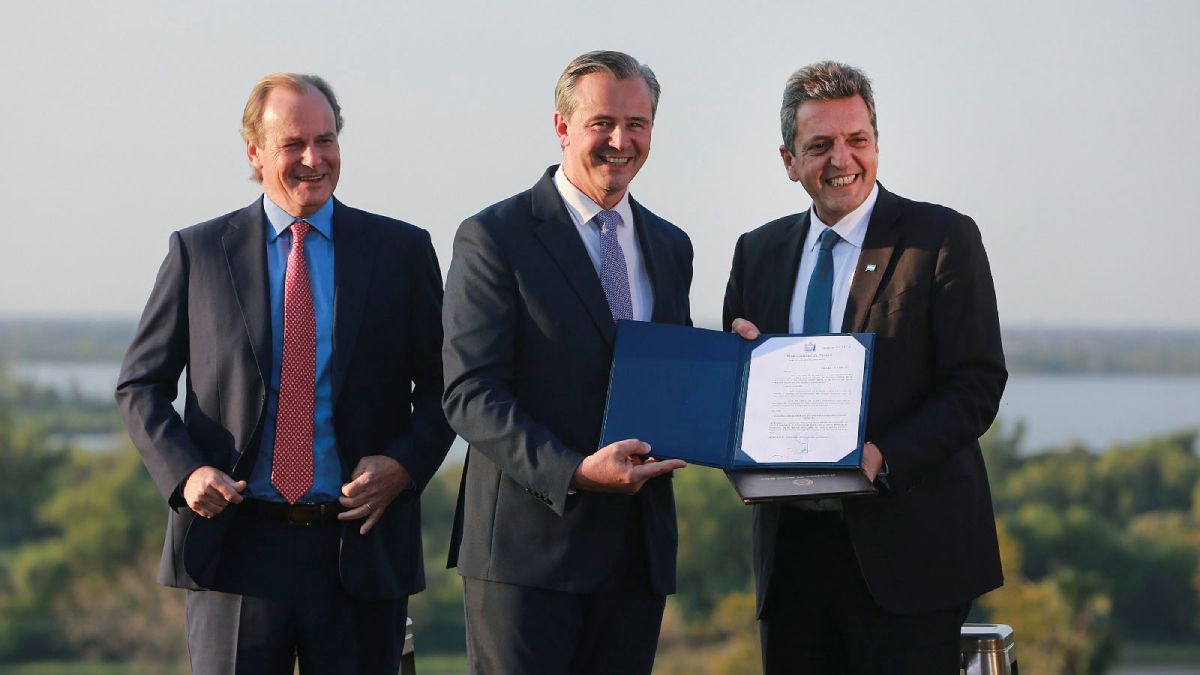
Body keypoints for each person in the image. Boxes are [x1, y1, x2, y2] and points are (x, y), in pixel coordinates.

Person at [115, 72, 454, 675]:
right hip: (233, 549)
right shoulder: (198, 252)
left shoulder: (402, 251)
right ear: (254, 152)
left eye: (326, 141)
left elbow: (447, 386)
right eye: (293, 144)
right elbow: (140, 385)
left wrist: (404, 466)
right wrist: (186, 471)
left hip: (359, 544)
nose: (313, 159)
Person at [724, 61, 1007, 674]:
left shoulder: (942, 238)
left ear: (877, 143)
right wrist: (735, 372)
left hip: (911, 553)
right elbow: (733, 392)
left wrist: (887, 455)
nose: (841, 159)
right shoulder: (758, 252)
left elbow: (977, 383)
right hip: (793, 556)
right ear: (788, 160)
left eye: (857, 139)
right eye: (819, 145)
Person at [441, 50, 692, 674]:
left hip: (636, 558)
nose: (620, 140)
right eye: (602, 122)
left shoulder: (670, 245)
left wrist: (737, 363)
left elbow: (673, 376)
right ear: (562, 127)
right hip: (527, 559)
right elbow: (470, 392)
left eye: (637, 124)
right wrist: (574, 471)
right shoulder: (494, 236)